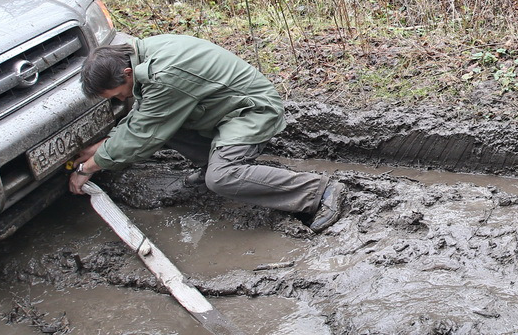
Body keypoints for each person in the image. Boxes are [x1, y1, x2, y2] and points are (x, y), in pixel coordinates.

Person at [68, 36, 347, 232]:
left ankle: (319, 192)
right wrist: (99, 148)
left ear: (126, 73)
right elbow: (144, 117)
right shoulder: (146, 51)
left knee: (222, 178)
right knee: (162, 126)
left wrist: (86, 168)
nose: (120, 101)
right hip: (222, 107)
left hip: (251, 110)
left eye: (118, 95)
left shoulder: (163, 73)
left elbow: (144, 133)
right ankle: (213, 162)